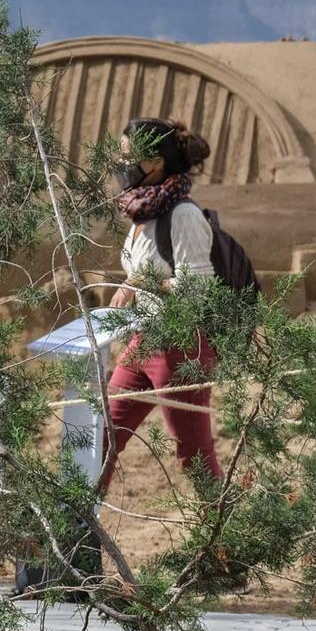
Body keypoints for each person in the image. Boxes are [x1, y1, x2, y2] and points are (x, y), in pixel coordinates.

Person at [102, 118, 223, 493]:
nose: (120, 165)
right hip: (144, 342)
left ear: (154, 163)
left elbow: (197, 288)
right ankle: (78, 540)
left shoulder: (182, 215)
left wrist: (139, 284)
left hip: (181, 347)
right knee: (103, 439)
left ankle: (228, 544)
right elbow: (144, 269)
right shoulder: (142, 211)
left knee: (195, 459)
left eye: (127, 157)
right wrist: (129, 284)